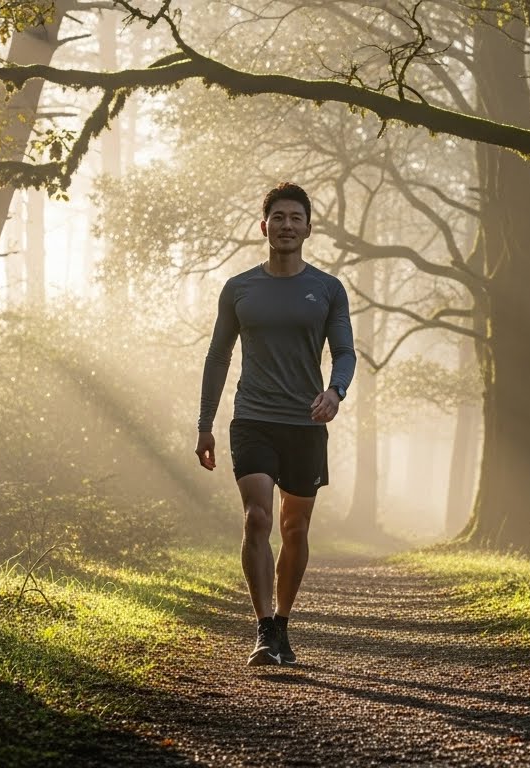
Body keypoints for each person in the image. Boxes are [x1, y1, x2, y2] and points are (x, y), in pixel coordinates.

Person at [194, 182, 355, 666]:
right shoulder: (239, 288)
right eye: (278, 218)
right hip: (253, 419)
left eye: (295, 218)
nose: (286, 225)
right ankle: (263, 628)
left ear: (308, 228)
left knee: (295, 529)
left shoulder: (327, 289)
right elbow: (218, 356)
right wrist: (205, 423)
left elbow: (345, 352)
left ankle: (283, 622)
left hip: (305, 424)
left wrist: (335, 391)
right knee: (257, 517)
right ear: (264, 227)